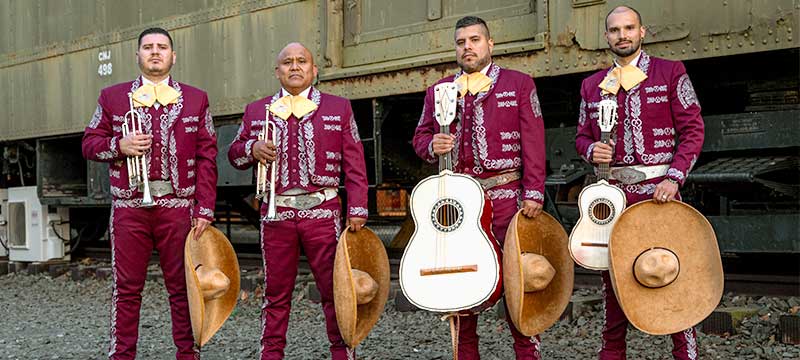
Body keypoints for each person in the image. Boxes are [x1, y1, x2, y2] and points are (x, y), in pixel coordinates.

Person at [412, 16, 547, 360]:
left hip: (506, 199)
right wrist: (432, 146)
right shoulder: (439, 90)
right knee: (459, 292)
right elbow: (420, 138)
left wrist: (533, 192)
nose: (467, 47)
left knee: (518, 290)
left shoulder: (519, 84)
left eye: (474, 40)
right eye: (461, 42)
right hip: (457, 206)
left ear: (490, 45)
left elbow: (534, 141)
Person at [574, 5, 704, 360]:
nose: (622, 35)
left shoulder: (670, 73)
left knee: (669, 277)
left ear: (642, 32)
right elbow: (581, 137)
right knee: (613, 286)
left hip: (659, 194)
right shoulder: (591, 86)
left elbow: (693, 131)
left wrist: (674, 178)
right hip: (612, 197)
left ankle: (685, 355)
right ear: (607, 37)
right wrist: (591, 151)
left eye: (629, 28)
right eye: (615, 30)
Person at [82, 27, 217, 360]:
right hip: (130, 207)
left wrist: (205, 209)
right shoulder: (111, 97)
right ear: (137, 55)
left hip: (178, 206)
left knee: (183, 288)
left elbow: (207, 157)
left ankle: (188, 354)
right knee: (127, 290)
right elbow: (88, 144)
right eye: (148, 47)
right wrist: (118, 145)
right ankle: (122, 356)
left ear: (174, 55)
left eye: (162, 47)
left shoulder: (197, 98)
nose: (155, 52)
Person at [227, 42, 369, 360]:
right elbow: (233, 155)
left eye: (302, 61)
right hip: (276, 214)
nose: (295, 67)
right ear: (277, 71)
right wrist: (251, 149)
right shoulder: (256, 110)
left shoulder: (339, 107)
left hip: (323, 211)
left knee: (337, 290)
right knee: (276, 295)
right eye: (287, 62)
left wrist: (358, 208)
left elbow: (355, 163)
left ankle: (343, 354)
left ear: (314, 70)